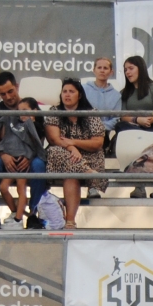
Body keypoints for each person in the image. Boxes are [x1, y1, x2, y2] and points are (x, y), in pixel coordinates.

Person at [0, 70, 46, 228]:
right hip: (4, 156)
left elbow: (39, 139)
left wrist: (29, 156)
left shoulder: (30, 107)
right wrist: (4, 156)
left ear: (17, 86)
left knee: (39, 165)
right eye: (3, 94)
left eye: (10, 91)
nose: (8, 97)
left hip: (29, 156)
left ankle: (33, 214)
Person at [41, 78, 105, 230]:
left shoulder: (90, 113)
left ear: (79, 95)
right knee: (55, 151)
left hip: (88, 156)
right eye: (64, 91)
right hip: (64, 155)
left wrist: (74, 142)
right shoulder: (55, 112)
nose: (67, 95)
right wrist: (72, 148)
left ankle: (70, 222)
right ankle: (87, 172)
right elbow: (54, 139)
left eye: (71, 91)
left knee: (71, 171)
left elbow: (97, 143)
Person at [120, 55, 153, 174]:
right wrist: (137, 120)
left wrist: (146, 121)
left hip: (152, 125)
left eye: (131, 68)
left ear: (141, 68)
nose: (128, 72)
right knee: (120, 127)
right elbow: (123, 115)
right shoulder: (124, 92)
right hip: (131, 125)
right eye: (125, 70)